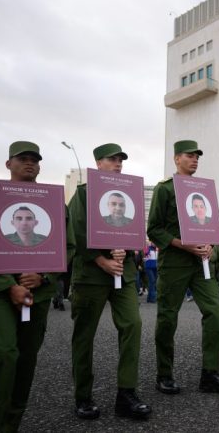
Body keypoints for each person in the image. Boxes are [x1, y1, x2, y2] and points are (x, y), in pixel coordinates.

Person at [0, 141, 75, 432]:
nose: (30, 164)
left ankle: (10, 425)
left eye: (35, 160)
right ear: (8, 164)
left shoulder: (55, 204)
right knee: (1, 355)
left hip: (36, 294)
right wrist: (8, 286)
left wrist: (44, 277)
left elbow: (68, 247)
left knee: (25, 362)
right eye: (23, 158)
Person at [69, 143, 151, 420]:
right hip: (92, 274)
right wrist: (101, 260)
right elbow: (76, 231)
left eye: (120, 161)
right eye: (112, 159)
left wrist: (129, 250)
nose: (118, 164)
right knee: (84, 335)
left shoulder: (129, 194)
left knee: (132, 325)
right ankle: (83, 395)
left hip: (123, 273)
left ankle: (126, 393)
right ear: (98, 163)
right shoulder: (84, 193)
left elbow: (134, 231)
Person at [148, 140, 219, 394]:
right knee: (167, 318)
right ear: (177, 158)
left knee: (215, 313)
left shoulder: (203, 189)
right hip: (174, 263)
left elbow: (211, 226)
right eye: (190, 155)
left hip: (202, 264)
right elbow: (153, 229)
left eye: (197, 156)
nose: (195, 159)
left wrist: (210, 245)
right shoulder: (165, 189)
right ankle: (164, 374)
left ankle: (210, 372)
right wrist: (182, 244)